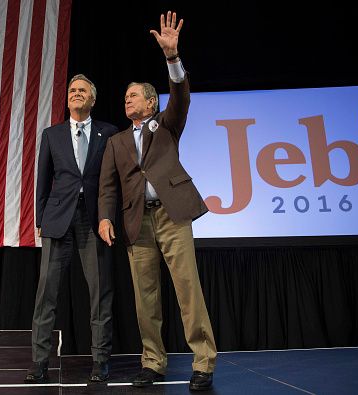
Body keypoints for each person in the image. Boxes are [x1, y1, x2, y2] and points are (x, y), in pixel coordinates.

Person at [98, 12, 217, 391]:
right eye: (124, 97)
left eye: (133, 95)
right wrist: (104, 217)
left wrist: (172, 58)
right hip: (137, 223)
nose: (126, 100)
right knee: (144, 298)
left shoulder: (166, 124)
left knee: (187, 288)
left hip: (171, 215)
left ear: (150, 103)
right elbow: (107, 187)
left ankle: (203, 361)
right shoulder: (115, 142)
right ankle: (153, 362)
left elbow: (181, 96)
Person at [25, 74, 118, 384]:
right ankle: (39, 362)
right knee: (45, 294)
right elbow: (43, 179)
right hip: (57, 220)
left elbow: (112, 182)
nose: (76, 94)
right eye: (73, 91)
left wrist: (109, 216)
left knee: (99, 293)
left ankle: (100, 361)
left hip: (94, 220)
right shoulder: (52, 134)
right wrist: (40, 220)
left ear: (92, 99)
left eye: (82, 91)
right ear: (67, 99)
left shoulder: (109, 133)